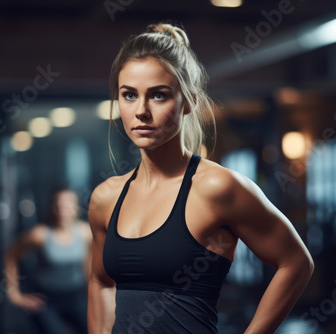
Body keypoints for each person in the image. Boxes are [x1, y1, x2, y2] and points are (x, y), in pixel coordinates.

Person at [87, 23, 314, 334]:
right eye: (128, 95)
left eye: (158, 95)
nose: (141, 110)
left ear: (189, 101)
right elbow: (100, 281)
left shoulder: (217, 188)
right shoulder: (106, 197)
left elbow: (296, 263)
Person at [6, 187, 92, 334]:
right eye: (58, 204)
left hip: (76, 297)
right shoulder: (39, 234)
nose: (62, 208)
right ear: (52, 207)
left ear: (76, 207)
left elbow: (89, 264)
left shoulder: (86, 232)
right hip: (47, 300)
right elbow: (10, 255)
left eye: (67, 203)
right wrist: (14, 295)